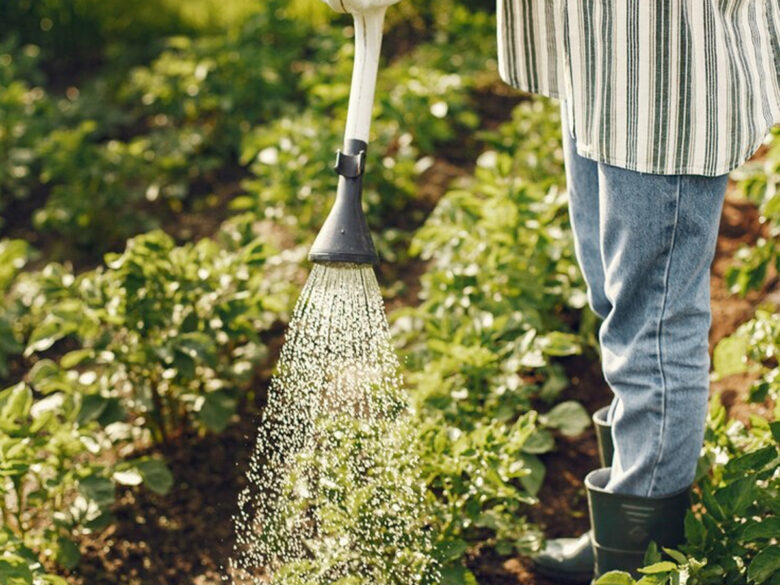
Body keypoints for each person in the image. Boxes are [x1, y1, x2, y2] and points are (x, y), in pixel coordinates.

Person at [321, 0, 780, 582]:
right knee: (613, 300)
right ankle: (624, 534)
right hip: (601, 51)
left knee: (651, 324)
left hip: (664, 59)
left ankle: (640, 568)